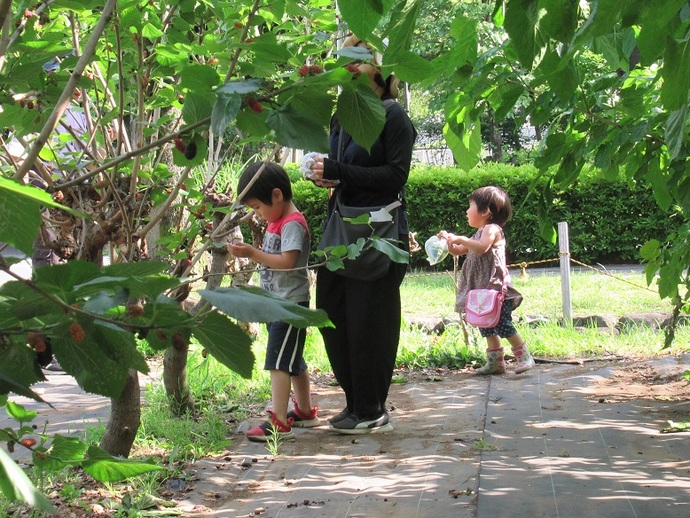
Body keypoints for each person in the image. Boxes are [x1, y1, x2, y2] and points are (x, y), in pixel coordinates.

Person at [308, 34, 417, 434]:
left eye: (360, 56)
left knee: (370, 320)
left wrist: (340, 172)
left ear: (380, 67)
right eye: (345, 58)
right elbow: (340, 172)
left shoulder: (393, 116)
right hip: (340, 232)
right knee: (334, 314)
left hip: (379, 235)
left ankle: (372, 408)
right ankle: (354, 403)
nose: (351, 65)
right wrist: (322, 173)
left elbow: (396, 177)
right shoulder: (341, 116)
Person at [228, 162, 318, 442]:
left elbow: (289, 262)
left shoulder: (292, 223)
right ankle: (303, 411)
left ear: (277, 196)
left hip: (289, 305)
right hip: (277, 303)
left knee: (278, 363)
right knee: (292, 360)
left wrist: (253, 254)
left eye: (257, 207)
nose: (258, 214)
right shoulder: (276, 221)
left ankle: (278, 420)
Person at [438, 186, 535, 375]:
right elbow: (458, 251)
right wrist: (449, 243)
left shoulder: (491, 230)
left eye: (470, 207)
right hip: (481, 290)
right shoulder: (480, 231)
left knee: (503, 323)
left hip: (495, 288)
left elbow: (482, 248)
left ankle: (524, 357)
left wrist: (461, 238)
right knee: (486, 324)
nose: (467, 211)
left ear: (485, 212)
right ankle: (495, 363)